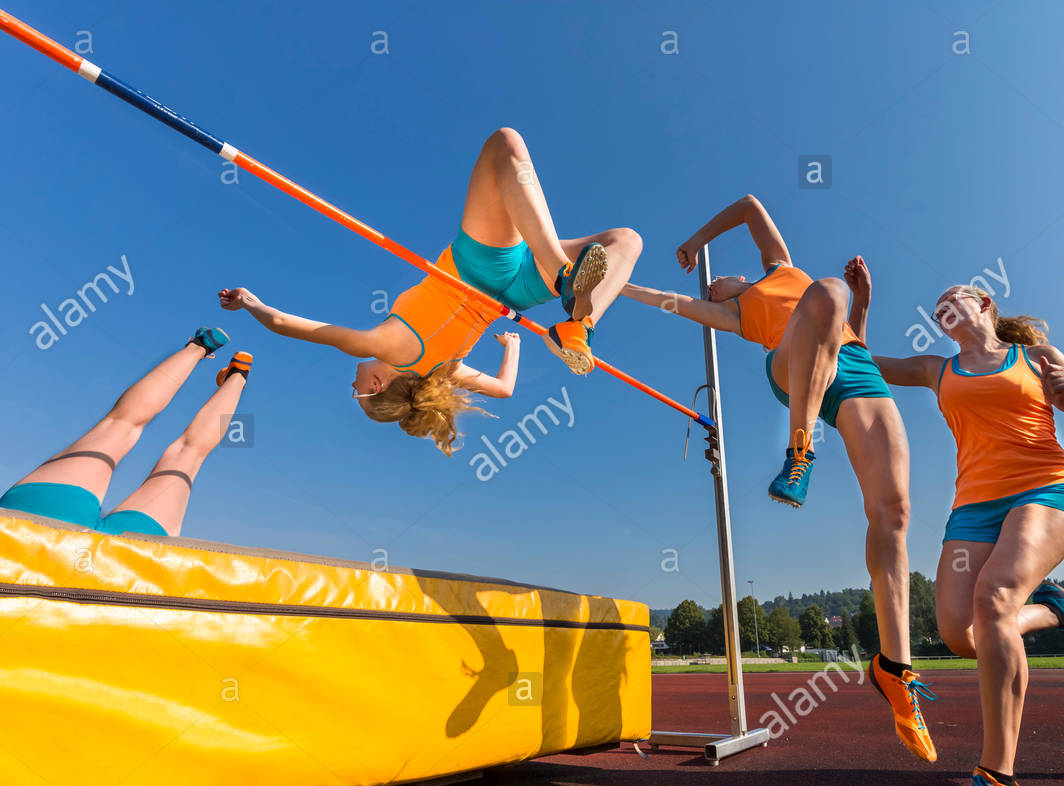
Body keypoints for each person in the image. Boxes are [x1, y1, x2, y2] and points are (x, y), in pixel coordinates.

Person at [620, 197, 936, 764]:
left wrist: (694, 241)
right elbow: (665, 300)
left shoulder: (780, 267)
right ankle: (800, 449)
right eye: (710, 287)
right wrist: (614, 285)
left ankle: (895, 668)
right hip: (790, 367)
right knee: (827, 291)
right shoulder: (734, 315)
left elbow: (747, 206)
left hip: (853, 367)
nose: (715, 285)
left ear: (744, 272)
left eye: (722, 279)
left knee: (893, 514)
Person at [866, 261, 1064, 786]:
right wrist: (851, 305)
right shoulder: (938, 370)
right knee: (963, 636)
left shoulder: (1037, 358)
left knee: (997, 596)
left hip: (1048, 490)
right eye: (935, 311)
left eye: (951, 299)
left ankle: (1001, 784)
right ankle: (1056, 609)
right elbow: (857, 357)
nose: (942, 310)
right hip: (973, 510)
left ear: (984, 302)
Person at [219, 128, 642, 454]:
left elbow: (504, 389)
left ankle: (578, 326)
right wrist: (251, 303)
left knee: (626, 240)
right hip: (479, 268)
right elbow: (287, 325)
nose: (353, 381)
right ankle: (569, 287)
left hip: (515, 297)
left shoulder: (444, 372)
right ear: (378, 385)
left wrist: (512, 346)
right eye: (358, 390)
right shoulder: (381, 344)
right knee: (504, 144)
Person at [0, 328, 251, 537]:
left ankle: (237, 375)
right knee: (124, 424)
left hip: (110, 558)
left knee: (188, 453)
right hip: (44, 530)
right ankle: (202, 348)